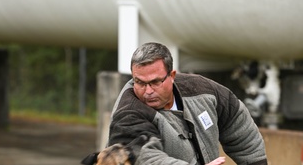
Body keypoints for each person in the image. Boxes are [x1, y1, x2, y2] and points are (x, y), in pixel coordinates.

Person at [104, 42, 267, 165]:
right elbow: (144, 158)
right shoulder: (127, 113)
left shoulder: (202, 90)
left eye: (155, 82)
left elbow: (236, 121)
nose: (147, 91)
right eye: (139, 82)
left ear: (172, 75)